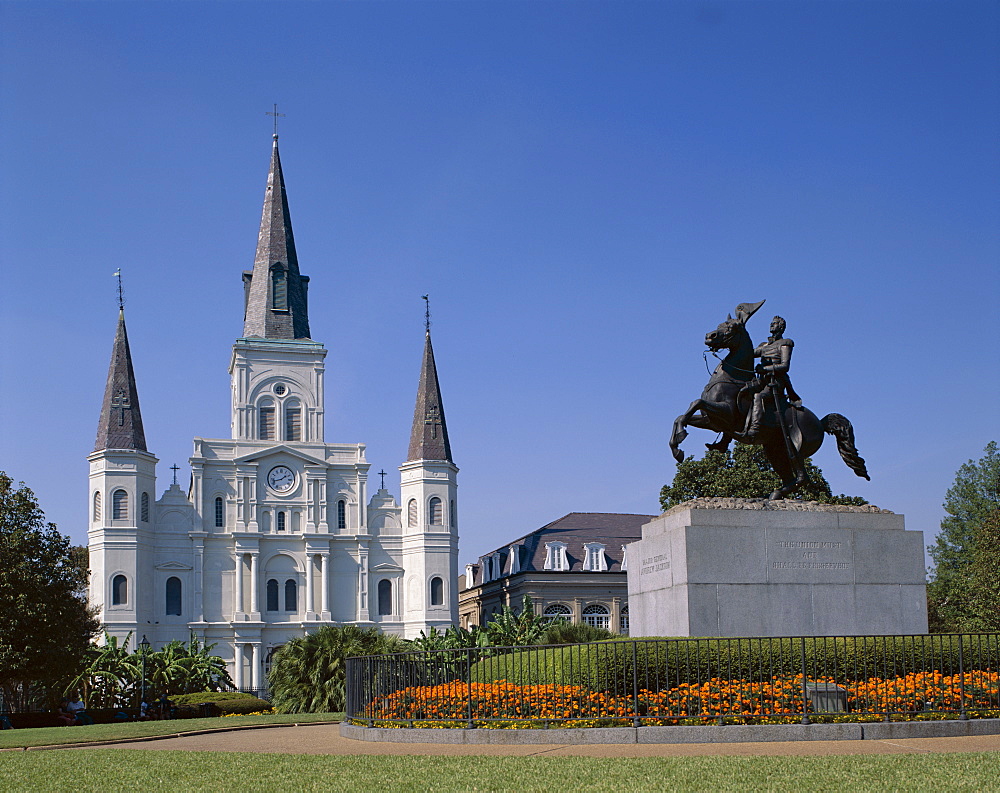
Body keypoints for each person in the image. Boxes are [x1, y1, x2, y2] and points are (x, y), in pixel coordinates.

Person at [743, 316, 803, 441]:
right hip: (762, 380)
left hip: (776, 381)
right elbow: (747, 353)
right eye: (771, 323)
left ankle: (754, 429)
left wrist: (765, 369)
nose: (772, 325)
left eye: (775, 323)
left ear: (781, 327)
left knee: (759, 396)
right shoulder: (764, 345)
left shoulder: (785, 343)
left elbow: (785, 366)